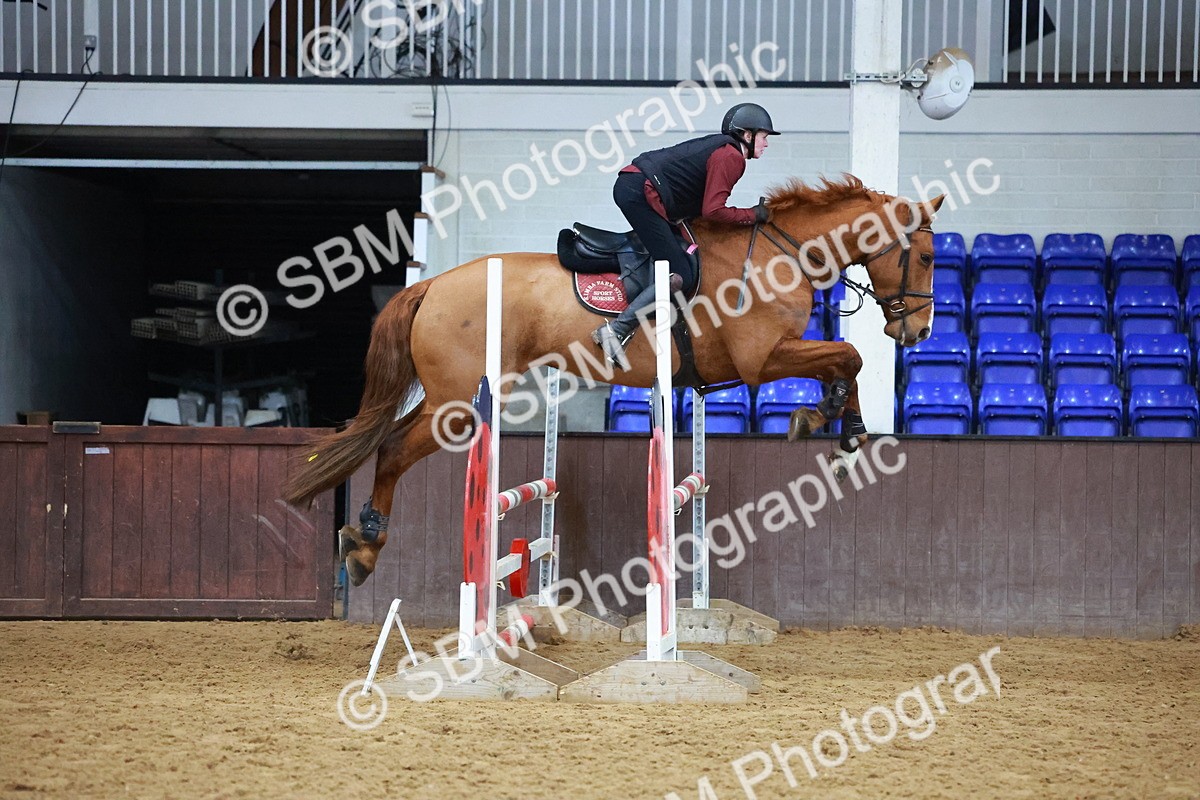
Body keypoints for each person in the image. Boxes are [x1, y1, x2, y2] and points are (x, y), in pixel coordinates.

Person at [591, 102, 781, 368]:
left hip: (638, 186)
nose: (766, 143)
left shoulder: (724, 150)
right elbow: (714, 210)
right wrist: (753, 215)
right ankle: (616, 330)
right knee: (681, 275)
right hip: (639, 192)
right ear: (747, 135)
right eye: (764, 136)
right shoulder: (731, 157)